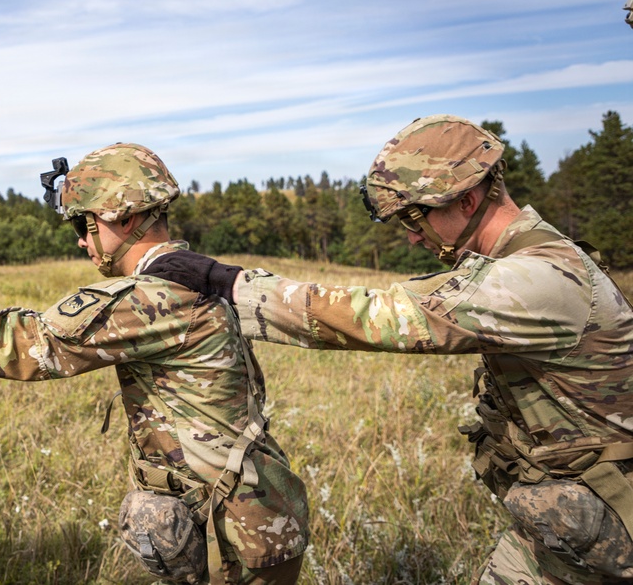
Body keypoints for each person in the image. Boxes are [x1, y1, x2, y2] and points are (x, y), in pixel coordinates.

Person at [146, 114, 633, 584]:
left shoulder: (536, 278)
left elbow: (378, 317)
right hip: (567, 521)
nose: (410, 234)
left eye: (416, 216)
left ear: (468, 199)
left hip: (606, 522)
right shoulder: (525, 258)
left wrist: (229, 284)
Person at [0, 143, 309, 585]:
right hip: (241, 511)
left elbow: (26, 345)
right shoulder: (191, 276)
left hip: (240, 530)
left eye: (83, 226)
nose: (80, 241)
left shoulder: (155, 295)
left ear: (123, 219)